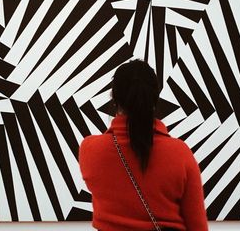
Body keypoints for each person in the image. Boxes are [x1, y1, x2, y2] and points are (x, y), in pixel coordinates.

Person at [79, 59, 208, 231]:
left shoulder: (90, 150)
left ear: (115, 99)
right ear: (154, 100)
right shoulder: (180, 153)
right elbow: (197, 226)